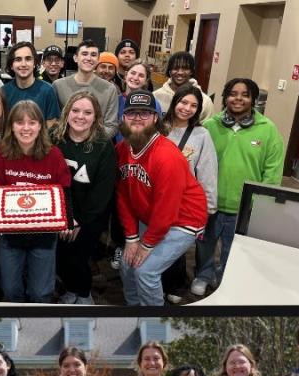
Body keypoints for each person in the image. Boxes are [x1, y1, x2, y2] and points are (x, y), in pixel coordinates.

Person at [115, 92, 208, 306]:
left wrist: (146, 245)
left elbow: (167, 209)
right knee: (127, 264)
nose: (137, 118)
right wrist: (131, 238)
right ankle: (134, 309)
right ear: (123, 118)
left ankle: (155, 323)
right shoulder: (122, 148)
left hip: (184, 219)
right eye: (131, 113)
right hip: (150, 215)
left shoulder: (167, 156)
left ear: (155, 118)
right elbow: (123, 195)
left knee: (145, 272)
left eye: (145, 113)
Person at [194, 78, 284, 296]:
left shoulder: (268, 130)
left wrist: (262, 206)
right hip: (211, 202)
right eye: (233, 93)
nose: (238, 98)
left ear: (253, 100)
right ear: (225, 97)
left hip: (245, 205)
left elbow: (272, 172)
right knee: (205, 244)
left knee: (233, 249)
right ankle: (203, 275)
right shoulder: (209, 127)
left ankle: (224, 278)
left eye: (245, 95)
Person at [0, 100, 72, 303]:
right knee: (10, 291)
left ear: (41, 126)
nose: (26, 128)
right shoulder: (1, 152)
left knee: (40, 294)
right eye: (19, 123)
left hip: (43, 235)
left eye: (32, 122)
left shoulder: (54, 154)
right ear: (11, 126)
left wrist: (67, 220)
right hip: (10, 236)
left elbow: (65, 189)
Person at [52, 92, 116, 305]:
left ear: (96, 117)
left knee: (78, 256)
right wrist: (64, 216)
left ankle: (84, 293)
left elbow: (103, 191)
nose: (81, 116)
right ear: (67, 112)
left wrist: (79, 220)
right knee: (61, 255)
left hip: (90, 215)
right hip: (59, 212)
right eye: (76, 110)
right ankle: (71, 290)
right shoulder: (54, 138)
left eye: (87, 112)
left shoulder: (103, 146)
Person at [161, 85, 219, 302]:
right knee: (156, 241)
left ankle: (176, 285)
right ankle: (158, 283)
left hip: (184, 200)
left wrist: (209, 206)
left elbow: (207, 172)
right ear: (175, 102)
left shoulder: (201, 135)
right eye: (183, 102)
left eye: (194, 105)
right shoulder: (160, 128)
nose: (187, 108)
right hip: (157, 197)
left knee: (176, 243)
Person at [53, 38, 120, 140]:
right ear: (75, 58)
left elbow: (111, 126)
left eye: (93, 55)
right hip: (65, 145)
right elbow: (54, 121)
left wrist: (90, 141)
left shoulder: (110, 89)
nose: (89, 58)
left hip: (96, 146)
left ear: (98, 60)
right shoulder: (58, 86)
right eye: (84, 54)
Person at [2, 42, 60, 122]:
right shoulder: (4, 92)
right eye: (18, 59)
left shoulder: (48, 91)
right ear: (11, 65)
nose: (23, 64)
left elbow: (51, 126)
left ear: (35, 63)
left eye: (28, 59)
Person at [155, 51, 214, 121]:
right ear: (169, 71)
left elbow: (206, 128)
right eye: (175, 68)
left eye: (185, 68)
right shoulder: (156, 96)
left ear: (191, 71)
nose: (180, 72)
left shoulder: (205, 101)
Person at [117, 61, 164, 126]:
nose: (136, 78)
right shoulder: (116, 100)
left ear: (146, 81)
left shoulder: (153, 103)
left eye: (141, 75)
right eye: (133, 73)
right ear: (126, 75)